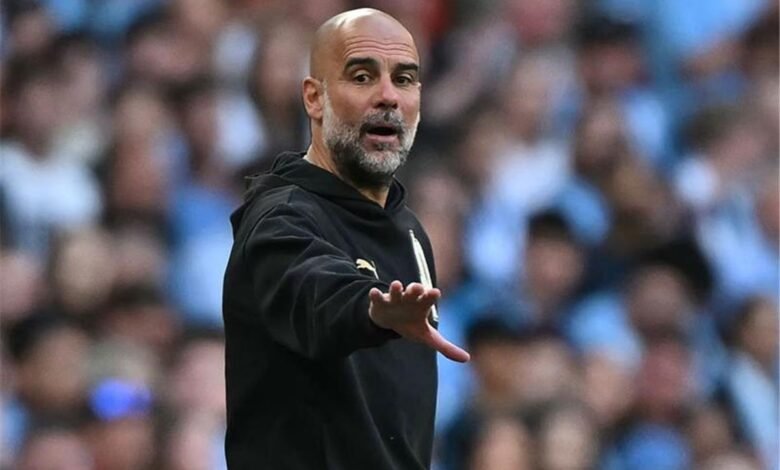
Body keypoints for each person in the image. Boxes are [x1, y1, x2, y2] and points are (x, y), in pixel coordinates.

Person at [222, 8, 469, 469]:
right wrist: (370, 309)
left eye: (404, 79)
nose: (388, 96)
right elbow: (316, 294)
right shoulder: (281, 218)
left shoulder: (411, 232)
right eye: (362, 77)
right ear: (314, 98)